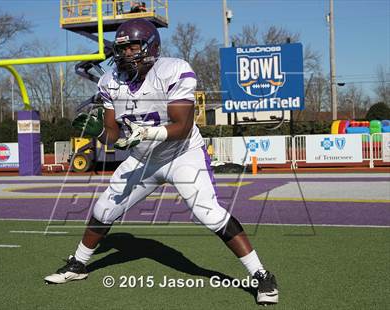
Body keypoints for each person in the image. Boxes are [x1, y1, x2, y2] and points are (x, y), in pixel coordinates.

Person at [44, 18, 278, 305]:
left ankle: (261, 275)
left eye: (133, 47)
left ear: (151, 47)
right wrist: (99, 132)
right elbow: (114, 138)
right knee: (103, 208)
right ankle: (78, 264)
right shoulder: (110, 81)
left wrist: (146, 132)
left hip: (182, 154)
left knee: (209, 213)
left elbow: (182, 125)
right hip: (143, 159)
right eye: (123, 49)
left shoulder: (173, 70)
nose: (127, 54)